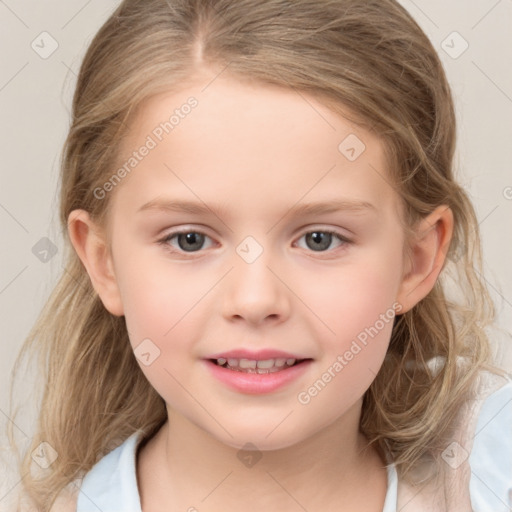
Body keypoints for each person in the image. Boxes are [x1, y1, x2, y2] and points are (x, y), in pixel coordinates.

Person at [6, 0, 511, 511]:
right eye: (190, 239)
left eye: (320, 239)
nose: (254, 299)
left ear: (416, 260)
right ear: (104, 262)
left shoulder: (493, 465)